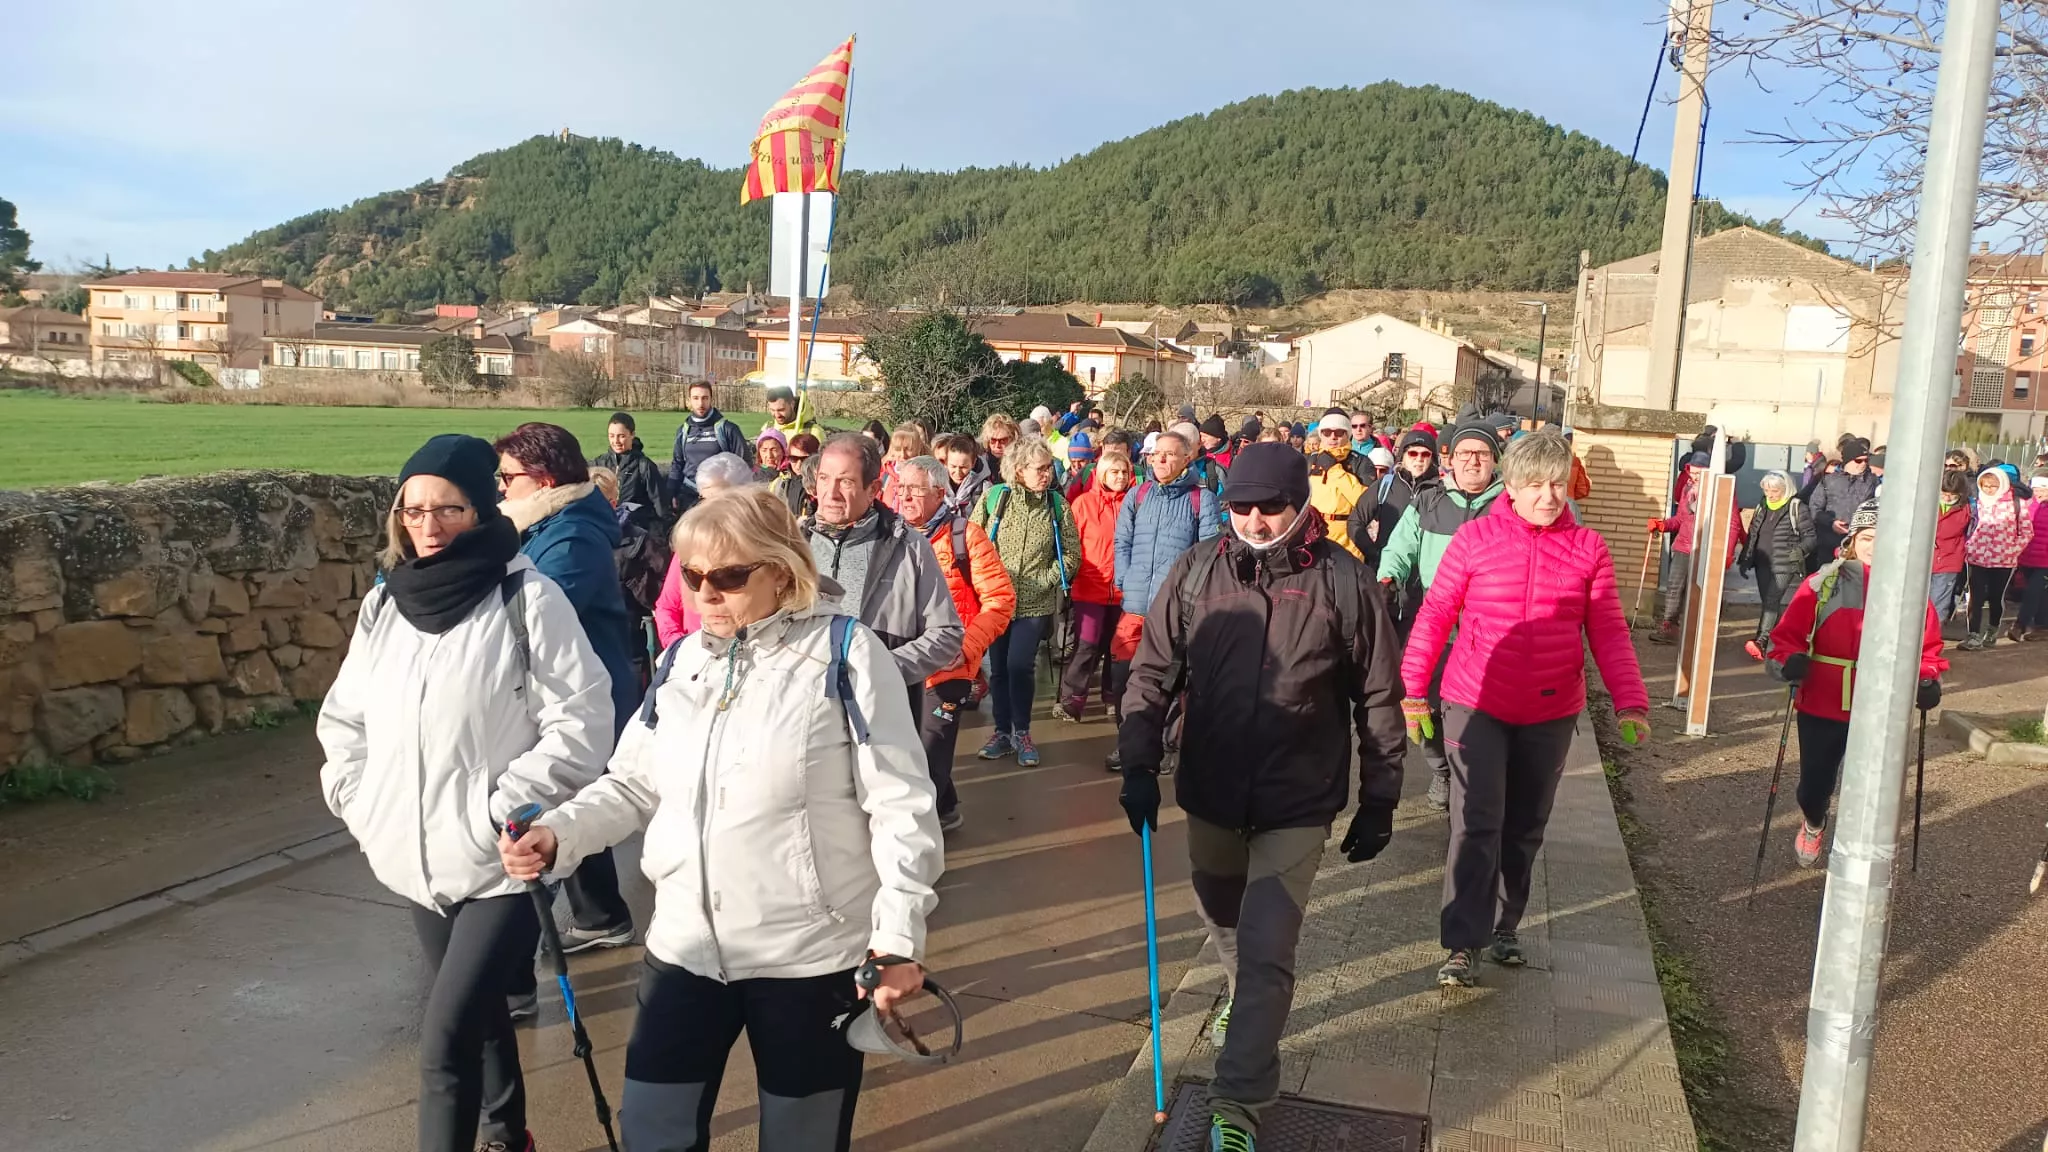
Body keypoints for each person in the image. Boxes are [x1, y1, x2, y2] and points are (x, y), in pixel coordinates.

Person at [497, 486, 942, 1152]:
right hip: (684, 951)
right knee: (653, 1134)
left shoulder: (846, 654)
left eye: (729, 576)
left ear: (782, 570)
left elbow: (903, 807)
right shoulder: (682, 661)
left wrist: (898, 937)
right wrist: (560, 834)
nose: (706, 593)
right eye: (694, 575)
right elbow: (631, 784)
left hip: (807, 959)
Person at [319, 434, 613, 1152]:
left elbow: (583, 721)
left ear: (481, 511)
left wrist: (503, 809)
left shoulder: (526, 597)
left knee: (444, 1038)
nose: (427, 525)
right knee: (478, 1019)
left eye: (448, 508)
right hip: (413, 859)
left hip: (500, 863)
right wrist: (362, 802)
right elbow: (344, 720)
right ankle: (509, 1136)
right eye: (413, 508)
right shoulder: (385, 605)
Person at [1116, 442, 1407, 1152]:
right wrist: (1137, 759)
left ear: (1299, 503)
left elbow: (1378, 698)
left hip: (1296, 800)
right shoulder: (1196, 571)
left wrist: (1381, 798)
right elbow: (1153, 673)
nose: (1251, 519)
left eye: (1268, 505)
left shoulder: (1345, 581)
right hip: (1211, 789)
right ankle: (1245, 1002)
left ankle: (1236, 1104)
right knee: (1224, 923)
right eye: (1240, 505)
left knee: (1269, 946)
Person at [1400, 430, 1649, 988]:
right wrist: (1414, 688)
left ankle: (1503, 925)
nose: (1548, 496)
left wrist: (1631, 701)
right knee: (1475, 823)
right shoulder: (1473, 540)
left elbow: (1607, 630)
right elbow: (1436, 612)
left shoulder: (1589, 549)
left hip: (1551, 710)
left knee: (1525, 824)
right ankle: (1463, 942)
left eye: (1557, 483)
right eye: (1534, 484)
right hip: (1475, 702)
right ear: (1508, 486)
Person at [492, 422, 639, 961]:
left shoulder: (570, 534)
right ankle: (602, 917)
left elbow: (533, 615)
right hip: (563, 692)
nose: (501, 487)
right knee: (568, 805)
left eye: (509, 476)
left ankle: (506, 956)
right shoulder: (546, 523)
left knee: (544, 812)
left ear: (545, 477)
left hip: (582, 695)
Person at [1767, 499, 1947, 866]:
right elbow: (1784, 639)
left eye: (1886, 537)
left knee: (1870, 788)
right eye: (1868, 537)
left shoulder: (1910, 594)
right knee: (1814, 785)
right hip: (1822, 699)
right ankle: (1814, 822)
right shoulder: (1823, 584)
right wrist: (1790, 663)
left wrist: (1927, 680)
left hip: (1882, 704)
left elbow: (1927, 650)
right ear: (1853, 540)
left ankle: (1857, 857)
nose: (1876, 545)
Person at [1376, 422, 1504, 810]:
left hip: (1486, 620)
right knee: (1421, 702)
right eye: (1464, 453)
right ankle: (1441, 770)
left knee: (1474, 704)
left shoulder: (1508, 505)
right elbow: (1401, 544)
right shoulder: (1430, 499)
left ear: (1495, 461)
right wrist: (1388, 575)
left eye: (1482, 454)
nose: (1473, 461)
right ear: (1449, 459)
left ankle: (1469, 771)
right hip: (1432, 615)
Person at [804, 433, 966, 714]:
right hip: (806, 714)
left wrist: (882, 668)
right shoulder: (792, 546)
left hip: (881, 715)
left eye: (846, 481)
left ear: (873, 489)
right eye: (824, 478)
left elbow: (947, 633)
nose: (830, 494)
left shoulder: (910, 548)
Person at [895, 455, 1015, 832]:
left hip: (948, 669)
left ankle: (921, 837)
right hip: (899, 665)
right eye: (901, 489)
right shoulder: (890, 538)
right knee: (903, 752)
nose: (905, 497)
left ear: (939, 492)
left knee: (930, 753)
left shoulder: (967, 537)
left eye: (915, 489)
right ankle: (945, 809)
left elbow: (1000, 599)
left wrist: (964, 648)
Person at [1110, 430, 1225, 767]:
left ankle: (1163, 744)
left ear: (1186, 458)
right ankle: (1129, 742)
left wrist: (1189, 598)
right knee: (1124, 678)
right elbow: (1123, 543)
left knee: (1168, 679)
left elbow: (1208, 554)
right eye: (1156, 453)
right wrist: (1126, 580)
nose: (1159, 459)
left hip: (1174, 610)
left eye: (1169, 454)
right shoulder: (1138, 494)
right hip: (1134, 604)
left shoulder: (1201, 499)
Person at [969, 437, 1081, 767]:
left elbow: (1072, 554)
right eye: (1041, 468)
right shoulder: (994, 498)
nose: (1048, 473)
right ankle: (1002, 732)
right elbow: (972, 540)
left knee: (1020, 665)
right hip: (996, 601)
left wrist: (1047, 578)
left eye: (1049, 468)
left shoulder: (1057, 506)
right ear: (1019, 470)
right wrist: (986, 582)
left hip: (1035, 603)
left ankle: (1023, 732)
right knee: (1000, 669)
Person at [1058, 445, 1133, 727]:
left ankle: (1112, 696)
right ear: (1102, 473)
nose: (1120, 477)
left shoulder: (1133, 501)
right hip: (1090, 586)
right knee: (1087, 644)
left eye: (1124, 471)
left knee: (1118, 646)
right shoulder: (1084, 503)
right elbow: (1072, 544)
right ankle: (1073, 696)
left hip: (1123, 588)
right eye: (1114, 471)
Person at [651, 452, 756, 648]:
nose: (708, 509)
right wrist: (679, 648)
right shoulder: (690, 547)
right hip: (696, 663)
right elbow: (667, 607)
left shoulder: (759, 549)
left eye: (719, 501)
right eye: (704, 499)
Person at [1649, 453, 1746, 645]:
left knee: (1701, 591)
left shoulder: (1722, 492)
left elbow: (1733, 523)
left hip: (1707, 547)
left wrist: (1727, 553)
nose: (1694, 477)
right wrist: (1663, 525)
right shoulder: (1688, 488)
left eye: (1698, 474)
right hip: (1684, 546)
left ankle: (1699, 632)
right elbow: (1681, 519)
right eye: (1691, 473)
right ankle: (1669, 627)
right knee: (1674, 587)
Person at [589, 465, 670, 686]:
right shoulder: (572, 541)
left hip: (632, 642)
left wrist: (637, 581)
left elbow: (667, 589)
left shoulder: (640, 541)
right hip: (588, 642)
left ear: (613, 504)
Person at [1737, 470, 1814, 662]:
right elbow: (1753, 533)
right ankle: (1779, 641)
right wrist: (1746, 559)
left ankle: (1761, 641)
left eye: (1775, 491)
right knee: (1768, 603)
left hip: (1784, 562)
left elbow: (1810, 538)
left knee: (1772, 600)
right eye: (1767, 490)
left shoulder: (1797, 507)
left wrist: (1797, 553)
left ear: (1786, 489)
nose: (1770, 494)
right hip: (1763, 561)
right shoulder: (1762, 505)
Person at [1960, 464, 2035, 649]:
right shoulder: (1975, 503)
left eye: (1992, 486)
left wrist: (2013, 549)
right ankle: (1973, 634)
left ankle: (1992, 630)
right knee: (1975, 598)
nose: (1988, 489)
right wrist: (1968, 547)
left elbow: (2027, 532)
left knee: (1995, 597)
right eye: (1985, 485)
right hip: (1977, 557)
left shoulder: (2016, 504)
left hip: (2003, 560)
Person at [667, 382, 748, 518]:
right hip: (689, 495)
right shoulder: (683, 431)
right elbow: (677, 463)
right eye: (696, 398)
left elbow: (743, 465)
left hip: (718, 497)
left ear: (711, 399)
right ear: (689, 401)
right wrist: (671, 493)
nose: (700, 403)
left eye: (705, 398)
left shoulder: (728, 429)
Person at [1366, 429, 1439, 571]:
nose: (1419, 459)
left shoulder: (1441, 490)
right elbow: (1355, 522)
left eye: (1425, 454)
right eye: (1413, 453)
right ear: (1403, 456)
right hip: (1388, 569)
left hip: (1425, 571)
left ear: (1432, 458)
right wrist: (1375, 554)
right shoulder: (1386, 484)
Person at [1307, 412, 1377, 561]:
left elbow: (1365, 502)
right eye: (1327, 432)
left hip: (1347, 535)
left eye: (1339, 432)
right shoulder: (1310, 460)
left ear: (1347, 434)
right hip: (1313, 533)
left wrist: (1335, 470)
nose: (1333, 437)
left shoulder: (1361, 463)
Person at [593, 411, 670, 534]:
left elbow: (660, 504)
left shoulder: (644, 466)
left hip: (634, 531)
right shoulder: (599, 463)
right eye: (611, 436)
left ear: (632, 434)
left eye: (621, 436)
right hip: (604, 528)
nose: (616, 441)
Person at [1810, 437, 1879, 566]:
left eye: (1866, 460)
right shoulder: (1829, 480)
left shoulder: (1873, 482)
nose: (1863, 464)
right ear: (1847, 461)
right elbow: (1814, 508)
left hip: (1858, 546)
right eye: (1858, 460)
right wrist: (1831, 523)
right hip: (1829, 544)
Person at [1930, 467, 1972, 624]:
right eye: (1944, 494)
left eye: (1952, 495)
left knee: (1939, 602)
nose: (1947, 498)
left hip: (1949, 559)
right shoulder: (1928, 504)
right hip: (1926, 558)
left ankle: (1933, 634)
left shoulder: (1966, 509)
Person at [2013, 473, 2048, 640]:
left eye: (2043, 489)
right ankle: (2042, 626)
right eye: (2035, 489)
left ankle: (2019, 625)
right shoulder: (2027, 505)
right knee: (2040, 594)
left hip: (2045, 561)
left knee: (2032, 592)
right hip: (2027, 558)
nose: (2038, 492)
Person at [937, 431, 993, 518]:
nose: (958, 472)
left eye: (963, 467)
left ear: (973, 463)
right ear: (946, 462)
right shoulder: (936, 484)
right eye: (953, 466)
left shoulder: (985, 489)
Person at [879, 423, 930, 512]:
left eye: (908, 449)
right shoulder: (885, 473)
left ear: (917, 449)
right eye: (898, 449)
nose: (903, 455)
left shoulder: (927, 474)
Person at [979, 413, 1019, 480]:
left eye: (1003, 440)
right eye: (993, 440)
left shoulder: (1020, 463)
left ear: (1013, 439)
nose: (997, 446)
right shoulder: (980, 465)